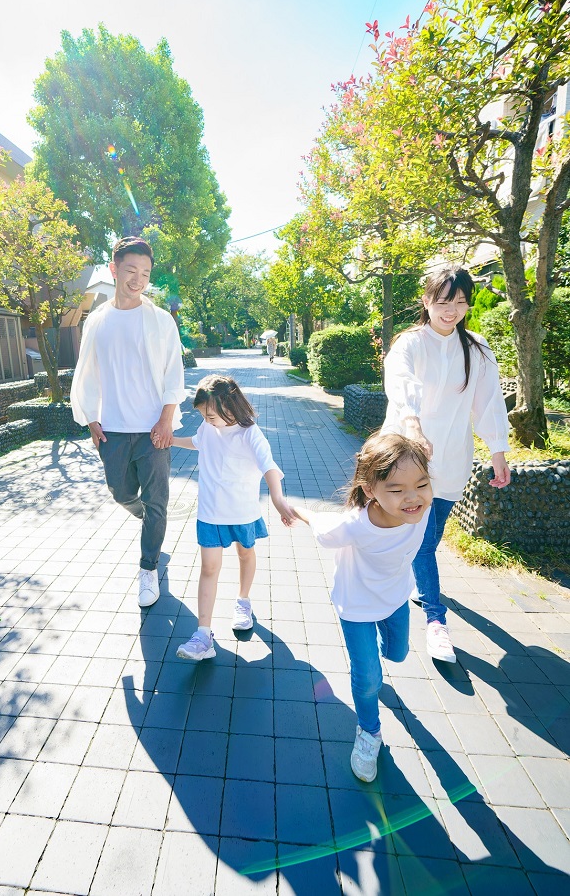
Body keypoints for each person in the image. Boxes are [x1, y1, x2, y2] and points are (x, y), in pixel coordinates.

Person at [381, 265, 511, 663]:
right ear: (427, 301)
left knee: (428, 541)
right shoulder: (410, 343)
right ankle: (436, 621)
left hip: (453, 458)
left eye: (459, 301)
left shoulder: (477, 348)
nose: (451, 309)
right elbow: (403, 383)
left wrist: (498, 450)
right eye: (443, 301)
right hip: (409, 457)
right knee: (422, 543)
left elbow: (489, 401)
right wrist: (413, 425)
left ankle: (413, 583)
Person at [293, 433, 433, 783]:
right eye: (397, 490)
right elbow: (320, 525)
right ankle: (369, 732)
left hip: (396, 598)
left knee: (398, 654)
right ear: (370, 489)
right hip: (356, 606)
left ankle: (381, 662)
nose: (413, 497)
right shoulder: (353, 525)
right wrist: (293, 508)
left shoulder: (425, 507)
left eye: (421, 484)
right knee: (369, 677)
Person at [70, 236, 185, 608]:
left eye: (146, 273)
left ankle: (148, 567)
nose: (138, 279)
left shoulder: (160, 320)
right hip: (114, 430)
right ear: (114, 269)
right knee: (121, 493)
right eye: (132, 271)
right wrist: (91, 420)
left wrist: (167, 422)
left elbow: (173, 373)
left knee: (157, 502)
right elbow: (86, 373)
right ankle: (150, 520)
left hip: (154, 429)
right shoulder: (98, 322)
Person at [172, 375, 298, 660]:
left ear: (231, 406)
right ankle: (203, 635)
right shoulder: (208, 427)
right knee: (208, 568)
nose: (207, 419)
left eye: (212, 414)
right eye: (204, 415)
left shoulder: (249, 433)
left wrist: (277, 500)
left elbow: (269, 467)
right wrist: (171, 441)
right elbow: (197, 441)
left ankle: (243, 601)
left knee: (245, 554)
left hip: (242, 512)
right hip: (210, 512)